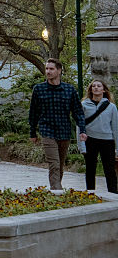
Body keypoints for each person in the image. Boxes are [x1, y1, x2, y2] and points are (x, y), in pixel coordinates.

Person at [29, 58, 87, 190]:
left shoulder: (69, 90)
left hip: (64, 131)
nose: (48, 71)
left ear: (59, 71)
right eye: (47, 69)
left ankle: (56, 190)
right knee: (54, 163)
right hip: (47, 131)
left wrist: (82, 130)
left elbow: (78, 112)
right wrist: (32, 132)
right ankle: (57, 190)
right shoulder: (39, 89)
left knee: (60, 164)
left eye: (51, 69)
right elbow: (33, 113)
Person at [81, 79, 118, 194]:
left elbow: (115, 127)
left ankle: (113, 194)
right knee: (90, 168)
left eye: (99, 86)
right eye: (94, 86)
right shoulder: (83, 105)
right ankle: (90, 193)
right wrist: (81, 145)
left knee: (109, 169)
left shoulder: (111, 107)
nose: (96, 88)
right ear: (91, 89)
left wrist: (117, 147)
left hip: (107, 141)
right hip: (90, 140)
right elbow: (80, 126)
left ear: (104, 89)